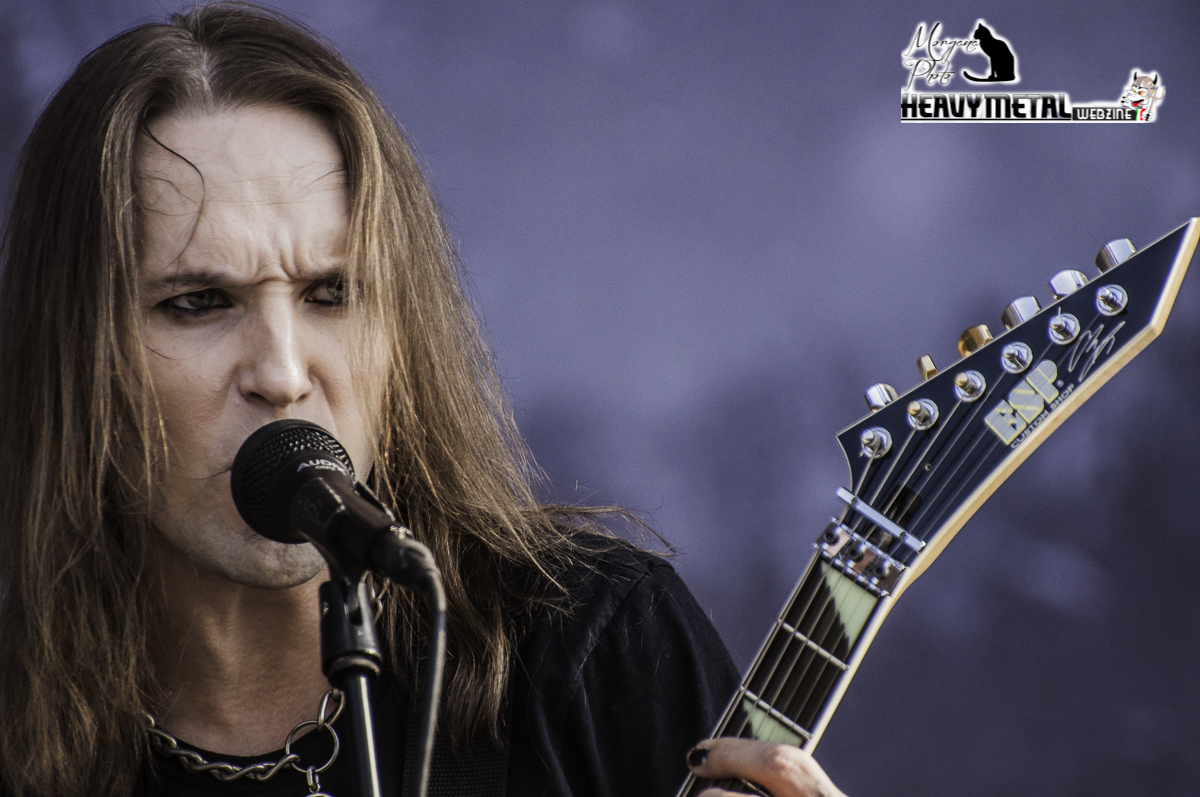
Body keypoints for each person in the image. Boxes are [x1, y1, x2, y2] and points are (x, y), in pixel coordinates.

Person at [0, 5, 847, 797]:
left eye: (333, 293)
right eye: (199, 302)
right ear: (76, 350)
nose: (283, 372)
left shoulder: (594, 643)